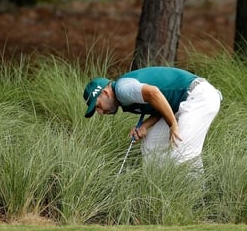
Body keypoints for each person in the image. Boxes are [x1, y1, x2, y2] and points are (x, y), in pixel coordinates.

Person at [83, 66, 222, 169]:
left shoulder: (122, 89)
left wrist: (173, 124)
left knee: (182, 153)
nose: (100, 112)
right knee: (151, 145)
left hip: (199, 97)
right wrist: (145, 125)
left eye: (98, 106)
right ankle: (158, 190)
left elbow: (153, 93)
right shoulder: (122, 97)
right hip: (181, 104)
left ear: (106, 93)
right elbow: (160, 103)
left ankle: (196, 202)